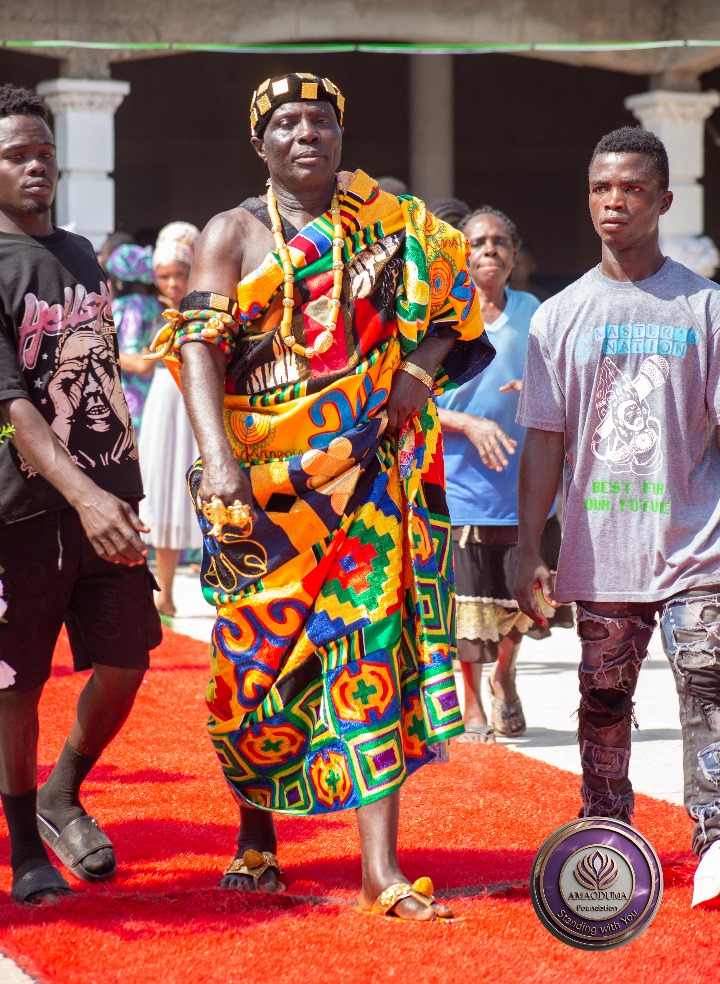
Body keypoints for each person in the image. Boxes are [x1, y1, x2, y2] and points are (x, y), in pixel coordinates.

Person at [154, 71, 493, 920]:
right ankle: (256, 840)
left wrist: (418, 373)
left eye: (321, 122)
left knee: (367, 648)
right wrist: (218, 459)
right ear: (259, 142)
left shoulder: (395, 223)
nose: (306, 134)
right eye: (287, 123)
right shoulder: (231, 233)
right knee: (252, 671)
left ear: (341, 136)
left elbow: (457, 308)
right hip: (263, 491)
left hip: (371, 476)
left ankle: (380, 869)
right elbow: (197, 344)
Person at [515, 124, 720, 909]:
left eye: (633, 188)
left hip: (697, 542)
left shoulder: (705, 307)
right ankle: (606, 833)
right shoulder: (559, 316)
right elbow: (544, 439)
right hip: (602, 549)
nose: (615, 201)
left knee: (708, 684)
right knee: (603, 699)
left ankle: (715, 839)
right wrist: (527, 546)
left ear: (663, 201)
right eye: (603, 187)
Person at [0, 84, 162, 906]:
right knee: (17, 685)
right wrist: (83, 497)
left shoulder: (80, 252)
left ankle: (62, 791)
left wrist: (116, 493)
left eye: (45, 153)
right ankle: (27, 847)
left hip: (112, 503)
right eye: (16, 155)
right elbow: (15, 407)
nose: (37, 166)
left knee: (127, 662)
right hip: (24, 515)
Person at [436, 207, 567, 743]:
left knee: (518, 603)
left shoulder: (534, 312)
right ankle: (471, 703)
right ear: (461, 254)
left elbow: (558, 382)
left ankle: (504, 676)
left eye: (498, 242)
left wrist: (538, 390)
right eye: (477, 242)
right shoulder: (442, 317)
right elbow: (410, 398)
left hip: (523, 487)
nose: (488, 249)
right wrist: (467, 422)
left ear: (515, 255)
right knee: (467, 604)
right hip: (460, 487)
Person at [139, 221, 202, 617]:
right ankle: (164, 592)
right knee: (163, 490)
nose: (173, 283)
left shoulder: (209, 303)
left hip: (198, 400)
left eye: (180, 274)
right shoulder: (150, 312)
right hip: (165, 401)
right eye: (164, 276)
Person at [105, 242, 161, 436]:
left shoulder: (125, 307)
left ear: (120, 280)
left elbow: (135, 359)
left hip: (130, 397)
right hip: (153, 394)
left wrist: (99, 349)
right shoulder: (157, 304)